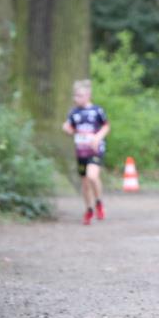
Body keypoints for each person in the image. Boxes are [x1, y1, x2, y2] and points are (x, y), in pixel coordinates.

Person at [62, 80, 110, 225]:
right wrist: (67, 129)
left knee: (92, 176)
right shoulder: (74, 113)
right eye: (75, 96)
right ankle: (89, 209)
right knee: (85, 183)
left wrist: (97, 137)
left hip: (95, 151)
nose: (76, 98)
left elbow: (106, 127)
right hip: (81, 152)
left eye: (80, 95)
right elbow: (70, 128)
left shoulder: (97, 111)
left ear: (88, 95)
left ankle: (99, 202)